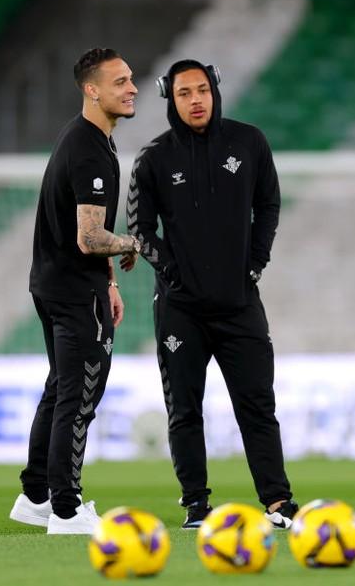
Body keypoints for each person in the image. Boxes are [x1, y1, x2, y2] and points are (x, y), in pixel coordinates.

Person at [127, 59, 297, 529]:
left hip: (240, 303)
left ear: (215, 91)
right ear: (170, 98)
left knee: (258, 405)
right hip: (180, 309)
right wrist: (175, 275)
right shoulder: (153, 158)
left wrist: (255, 263)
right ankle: (196, 505)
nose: (196, 99)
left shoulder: (249, 142)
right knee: (184, 409)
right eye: (184, 93)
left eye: (202, 90)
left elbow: (269, 204)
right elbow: (139, 230)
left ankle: (278, 502)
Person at [9, 48, 141, 535]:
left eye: (130, 80)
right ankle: (66, 509)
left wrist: (108, 282)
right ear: (92, 89)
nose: (131, 88)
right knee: (80, 396)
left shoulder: (85, 138)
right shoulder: (90, 149)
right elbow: (90, 236)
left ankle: (37, 495)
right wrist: (136, 242)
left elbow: (81, 231)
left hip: (57, 284)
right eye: (120, 81)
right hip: (71, 290)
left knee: (61, 387)